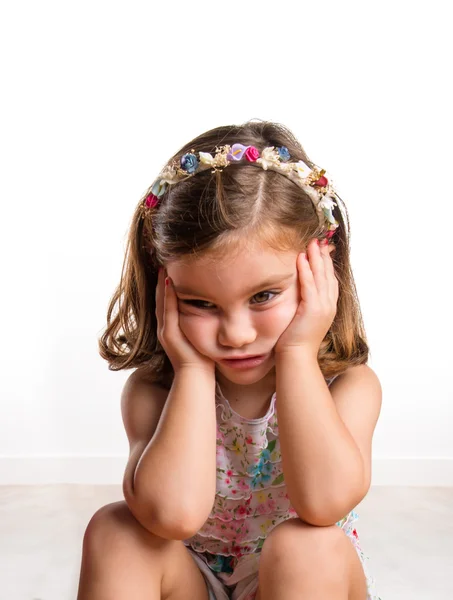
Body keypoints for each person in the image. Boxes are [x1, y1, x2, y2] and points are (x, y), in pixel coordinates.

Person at [77, 120, 383, 600]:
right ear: (166, 290)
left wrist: (299, 352)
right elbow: (172, 514)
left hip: (299, 584)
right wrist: (193, 371)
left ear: (321, 268)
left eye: (263, 295)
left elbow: (323, 505)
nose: (236, 334)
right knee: (117, 530)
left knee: (306, 545)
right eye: (201, 303)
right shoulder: (152, 392)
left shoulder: (348, 386)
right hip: (192, 582)